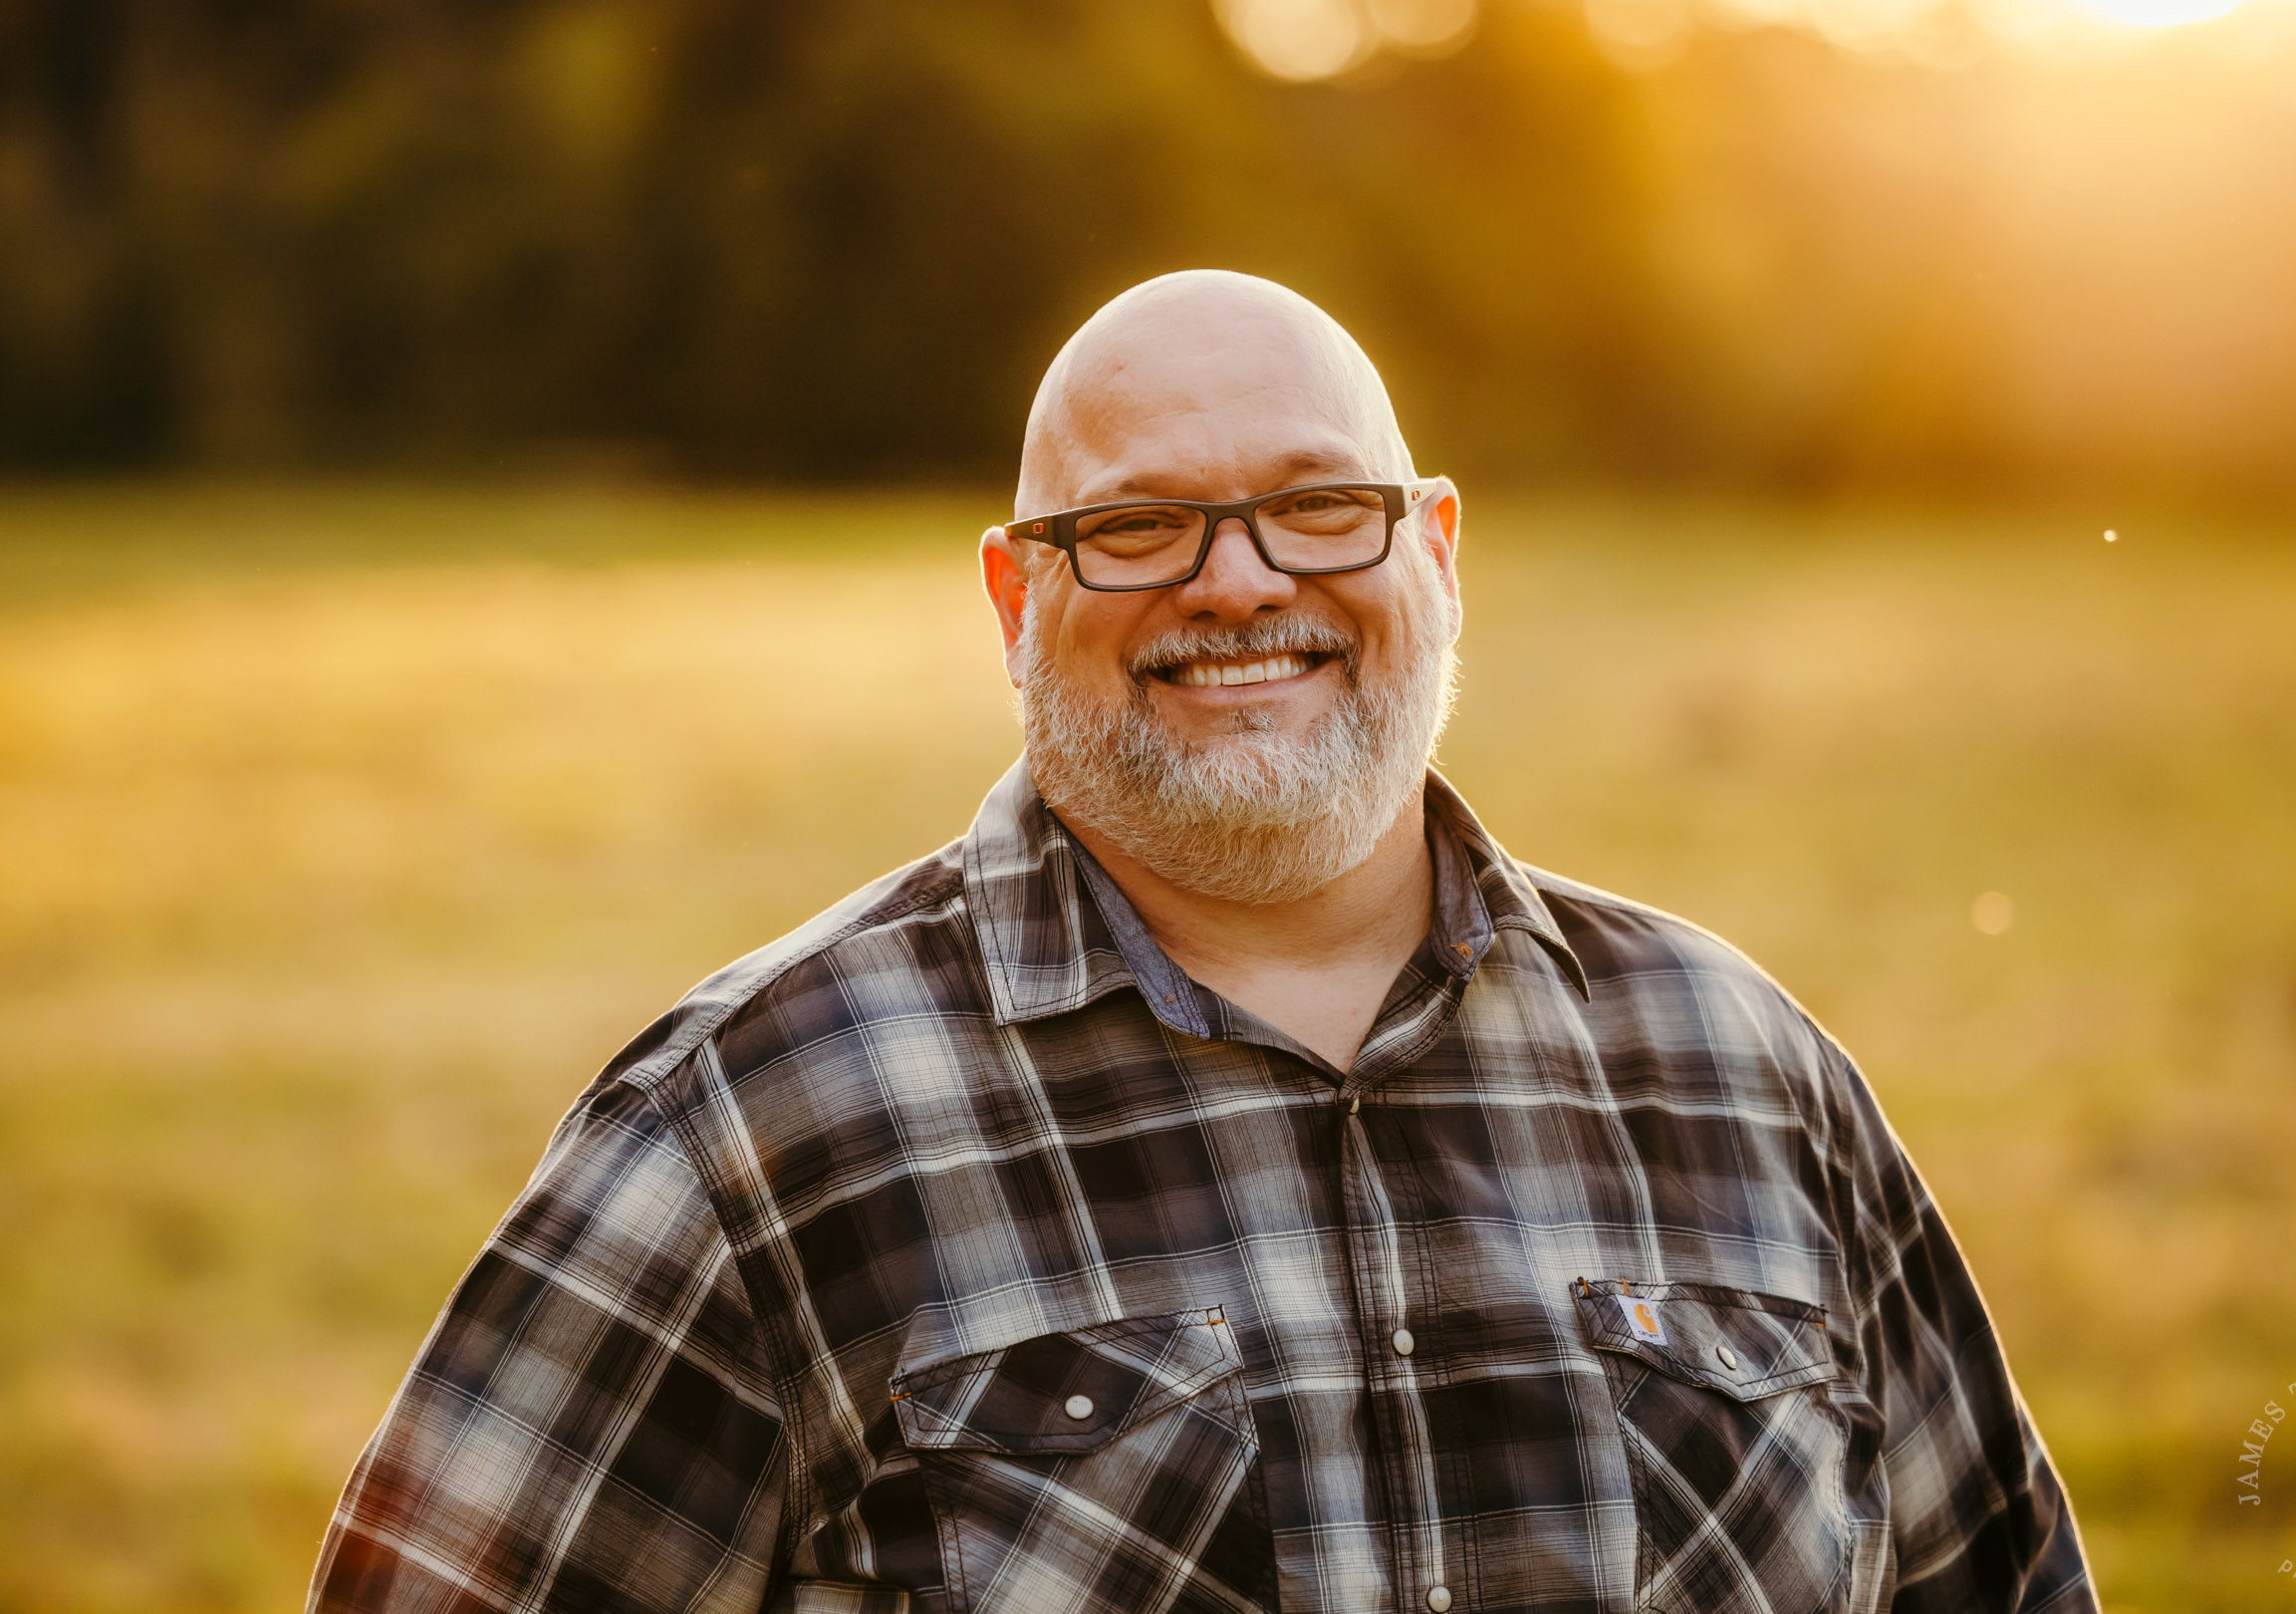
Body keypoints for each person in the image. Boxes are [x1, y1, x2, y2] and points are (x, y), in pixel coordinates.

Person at [306, 271, 2094, 1614]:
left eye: (1321, 503)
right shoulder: (756, 1127)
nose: (1238, 581)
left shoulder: (1745, 1073)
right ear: (1019, 598)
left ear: (1438, 557)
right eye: (1140, 524)